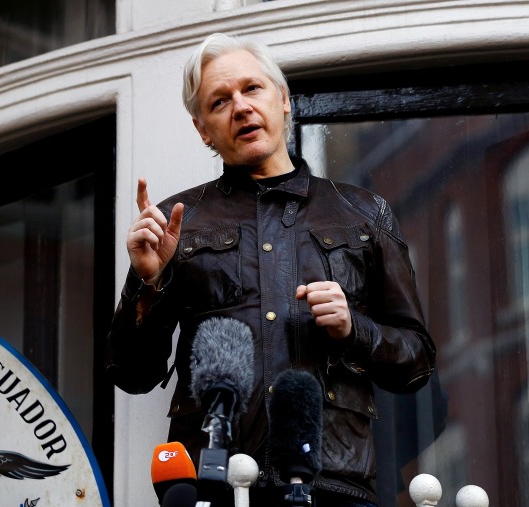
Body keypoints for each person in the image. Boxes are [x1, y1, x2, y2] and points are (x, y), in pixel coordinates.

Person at [105, 32, 436, 507]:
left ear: (282, 100)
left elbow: (417, 362)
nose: (240, 107)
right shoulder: (175, 221)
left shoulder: (364, 213)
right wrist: (148, 281)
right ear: (203, 129)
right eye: (220, 101)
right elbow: (131, 374)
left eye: (252, 89)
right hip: (212, 482)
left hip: (332, 484)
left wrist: (353, 329)